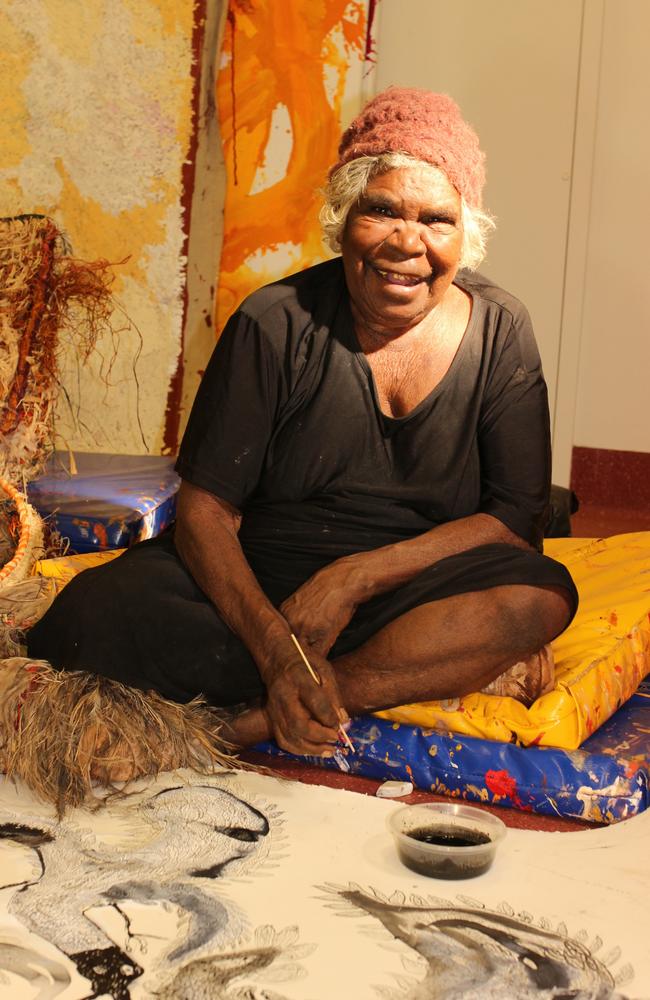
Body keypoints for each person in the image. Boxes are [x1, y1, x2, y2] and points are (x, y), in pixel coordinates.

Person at [27, 88, 578, 766]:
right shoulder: (275, 321)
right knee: (94, 612)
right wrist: (278, 649)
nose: (409, 242)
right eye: (381, 210)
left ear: (467, 235)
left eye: (438, 219)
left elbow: (515, 514)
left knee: (537, 598)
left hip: (413, 582)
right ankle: (370, 675)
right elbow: (205, 511)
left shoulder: (501, 328)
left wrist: (354, 579)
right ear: (343, 219)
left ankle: (266, 714)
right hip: (265, 584)